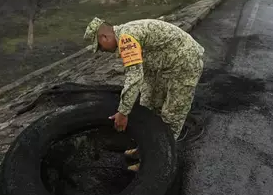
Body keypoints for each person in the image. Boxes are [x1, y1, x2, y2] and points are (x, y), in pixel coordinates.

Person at [84, 17, 205, 172]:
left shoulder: (127, 39)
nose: (102, 51)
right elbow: (141, 74)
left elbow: (134, 77)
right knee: (148, 106)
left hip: (185, 63)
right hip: (161, 66)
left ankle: (158, 162)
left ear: (104, 37)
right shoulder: (125, 34)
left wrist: (123, 112)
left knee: (171, 114)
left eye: (100, 47)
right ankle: (144, 149)